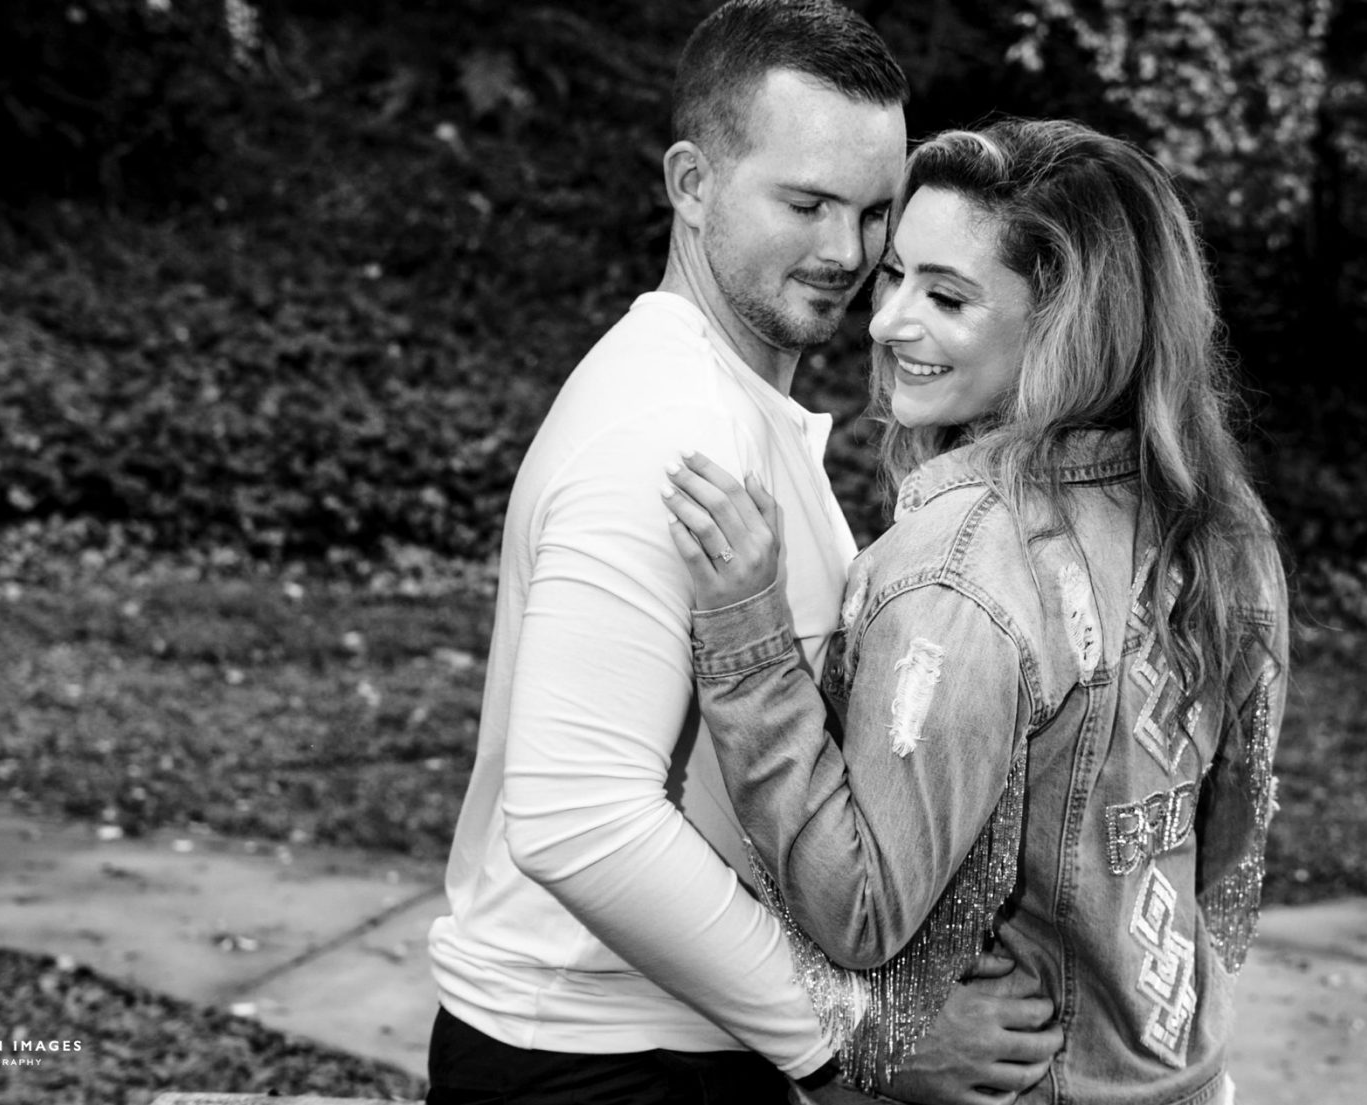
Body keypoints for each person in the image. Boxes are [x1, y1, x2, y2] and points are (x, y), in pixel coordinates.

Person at [425, 5, 1064, 1103]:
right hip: (593, 1063)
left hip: (672, 1048)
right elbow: (579, 818)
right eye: (805, 202)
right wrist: (859, 1034)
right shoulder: (667, 429)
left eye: (872, 213)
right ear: (691, 182)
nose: (846, 254)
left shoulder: (734, 409)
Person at [662, 118, 1291, 1103]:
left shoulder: (961, 576)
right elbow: (1221, 850)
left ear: (1065, 328)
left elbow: (857, 906)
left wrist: (748, 644)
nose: (885, 321)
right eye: (895, 275)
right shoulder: (1224, 530)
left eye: (946, 296)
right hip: (1187, 1075)